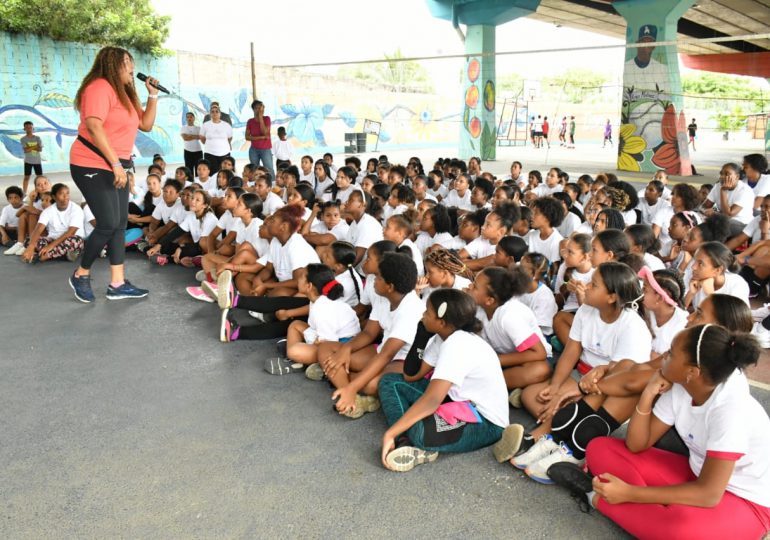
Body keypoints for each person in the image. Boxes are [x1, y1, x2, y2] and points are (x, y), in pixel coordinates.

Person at [550, 325, 770, 540]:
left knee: (681, 530)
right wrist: (648, 392)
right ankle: (653, 508)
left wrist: (629, 493)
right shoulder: (682, 386)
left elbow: (709, 494)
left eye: (671, 353)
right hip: (695, 474)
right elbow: (637, 444)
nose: (664, 355)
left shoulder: (730, 410)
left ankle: (595, 497)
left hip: (745, 500)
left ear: (692, 372)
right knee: (600, 448)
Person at [378, 289, 509, 472]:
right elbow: (411, 375)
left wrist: (389, 433)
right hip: (456, 403)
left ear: (441, 322)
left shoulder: (458, 344)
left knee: (419, 430)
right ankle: (405, 440)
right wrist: (420, 337)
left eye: (427, 312)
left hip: (485, 423)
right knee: (391, 382)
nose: (423, 315)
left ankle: (410, 439)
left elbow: (432, 400)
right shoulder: (445, 338)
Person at [68, 46, 158, 303]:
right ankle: (81, 274)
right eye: (127, 62)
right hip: (91, 163)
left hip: (116, 164)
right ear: (112, 65)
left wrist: (152, 96)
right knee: (107, 223)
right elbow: (94, 126)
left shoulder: (126, 93)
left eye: (132, 61)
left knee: (119, 224)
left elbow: (146, 125)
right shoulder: (99, 87)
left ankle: (117, 283)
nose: (132, 67)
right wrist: (116, 166)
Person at [199, 105, 233, 175]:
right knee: (212, 173)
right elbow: (202, 137)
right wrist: (211, 144)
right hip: (210, 153)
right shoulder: (205, 125)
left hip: (224, 153)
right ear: (210, 114)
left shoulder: (226, 125)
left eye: (217, 111)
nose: (214, 113)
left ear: (220, 114)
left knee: (225, 173)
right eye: (212, 112)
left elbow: (229, 138)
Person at [246, 100, 274, 176]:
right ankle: (257, 185)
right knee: (254, 170)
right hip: (253, 149)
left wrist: (260, 117)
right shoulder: (250, 121)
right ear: (253, 109)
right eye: (257, 108)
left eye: (261, 108)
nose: (260, 110)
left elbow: (265, 132)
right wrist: (262, 137)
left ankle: (273, 186)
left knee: (269, 169)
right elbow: (247, 137)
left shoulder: (267, 119)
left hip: (265, 149)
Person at [20, 121, 43, 195]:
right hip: (28, 161)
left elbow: (40, 149)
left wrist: (30, 147)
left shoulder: (37, 138)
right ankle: (24, 193)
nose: (29, 129)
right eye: (27, 127)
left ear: (33, 128)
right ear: (24, 129)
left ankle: (40, 192)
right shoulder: (23, 139)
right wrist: (36, 146)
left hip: (37, 161)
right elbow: (26, 150)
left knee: (39, 178)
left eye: (30, 127)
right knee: (26, 177)